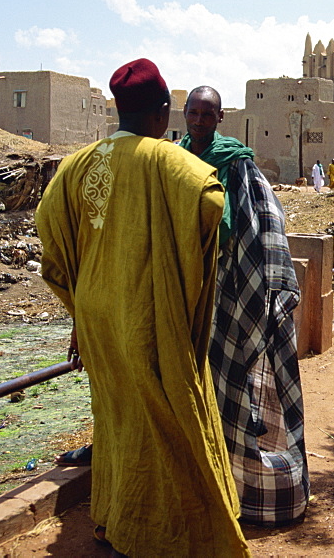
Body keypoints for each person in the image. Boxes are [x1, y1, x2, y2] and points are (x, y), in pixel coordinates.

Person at [36, 59, 250, 555]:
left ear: (116, 109)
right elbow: (210, 206)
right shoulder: (177, 166)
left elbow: (52, 246)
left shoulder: (74, 166)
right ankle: (171, 531)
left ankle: (115, 516)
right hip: (150, 320)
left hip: (96, 322)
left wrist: (78, 306)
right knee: (171, 423)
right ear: (163, 113)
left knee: (116, 417)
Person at [180, 86, 309, 526]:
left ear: (220, 119)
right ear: (183, 114)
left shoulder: (238, 164)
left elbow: (264, 225)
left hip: (227, 292)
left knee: (226, 381)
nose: (198, 120)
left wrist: (265, 285)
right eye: (193, 112)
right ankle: (193, 477)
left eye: (207, 114)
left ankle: (234, 485)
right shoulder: (173, 159)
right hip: (183, 290)